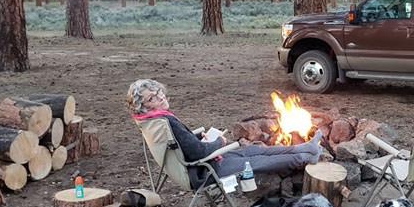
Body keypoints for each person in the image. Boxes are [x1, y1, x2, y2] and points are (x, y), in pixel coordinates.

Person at [127, 79, 322, 189]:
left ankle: (306, 147)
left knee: (253, 150)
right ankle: (304, 157)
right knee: (257, 162)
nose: (160, 97)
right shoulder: (165, 121)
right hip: (203, 171)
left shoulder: (151, 121)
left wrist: (198, 138)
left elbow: (180, 145)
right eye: (152, 97)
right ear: (143, 106)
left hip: (199, 163)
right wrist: (219, 142)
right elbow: (199, 152)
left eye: (158, 91)